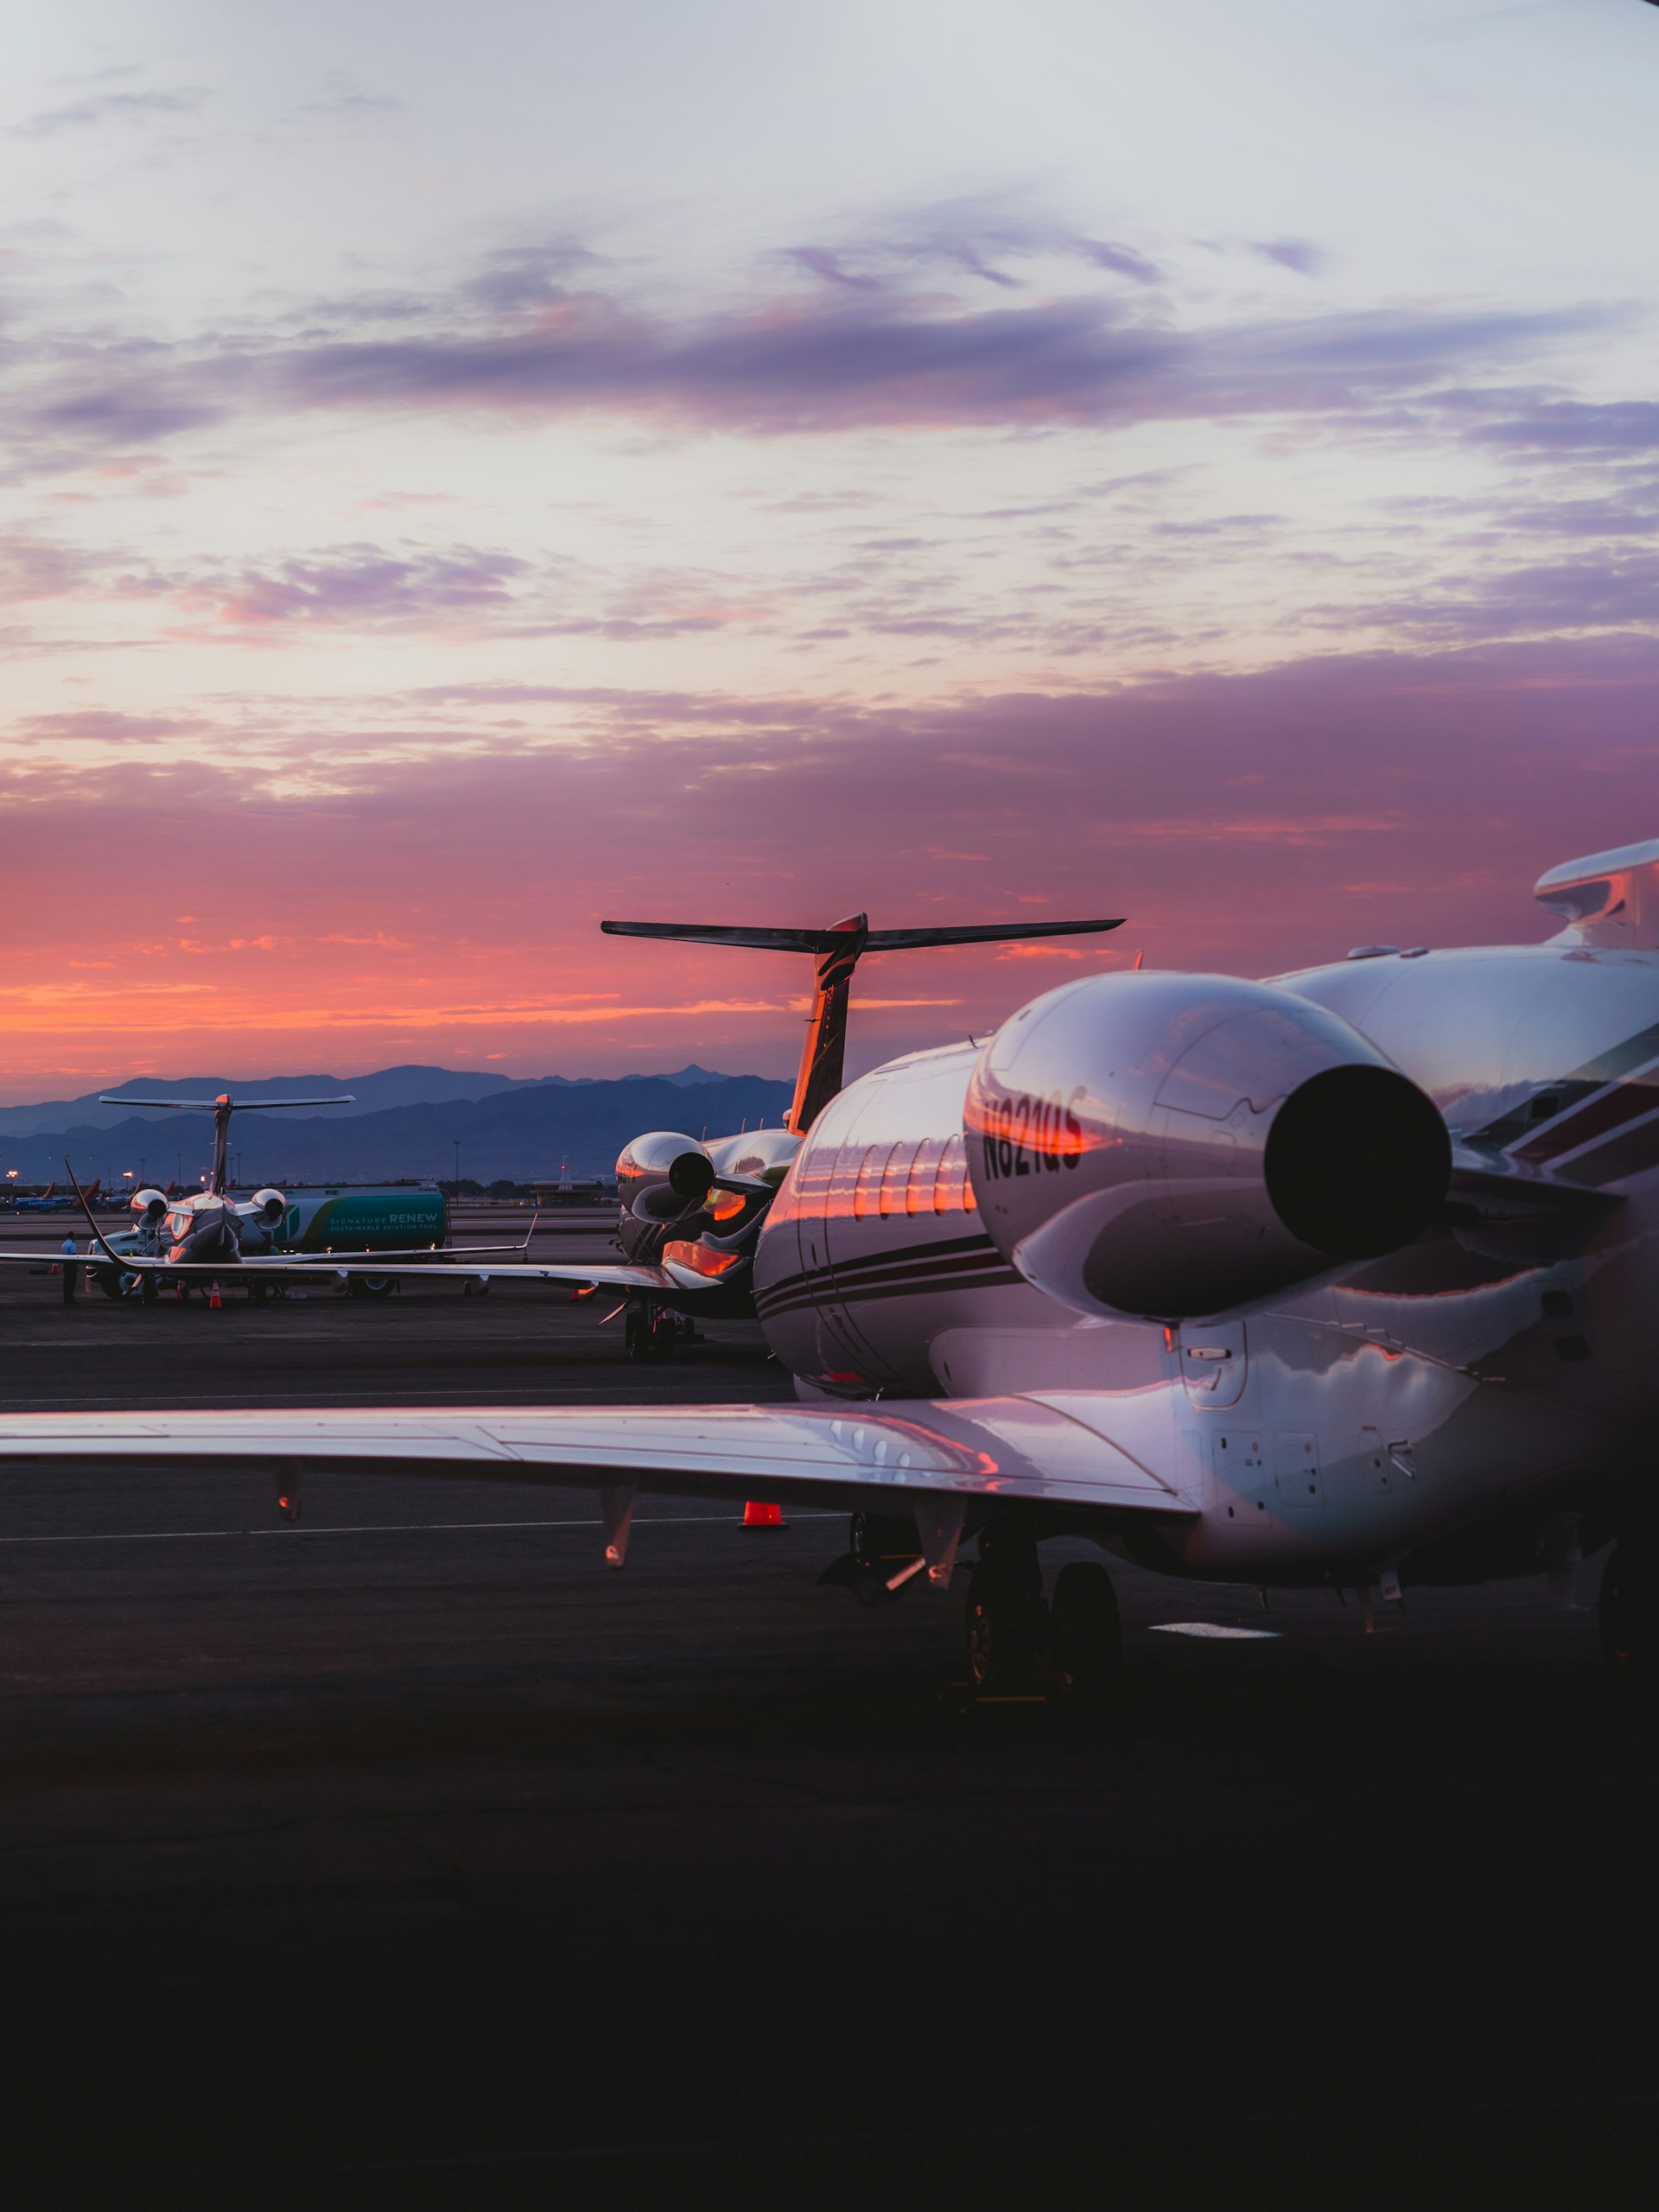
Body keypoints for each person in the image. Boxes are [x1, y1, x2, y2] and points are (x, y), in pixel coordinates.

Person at [60, 1232, 79, 1304]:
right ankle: (71, 1299)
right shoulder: (72, 1245)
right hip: (71, 1265)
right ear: (72, 1236)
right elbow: (73, 1256)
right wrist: (76, 1266)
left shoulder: (63, 1244)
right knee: (71, 1283)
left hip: (65, 1265)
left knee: (66, 1283)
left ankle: (66, 1298)